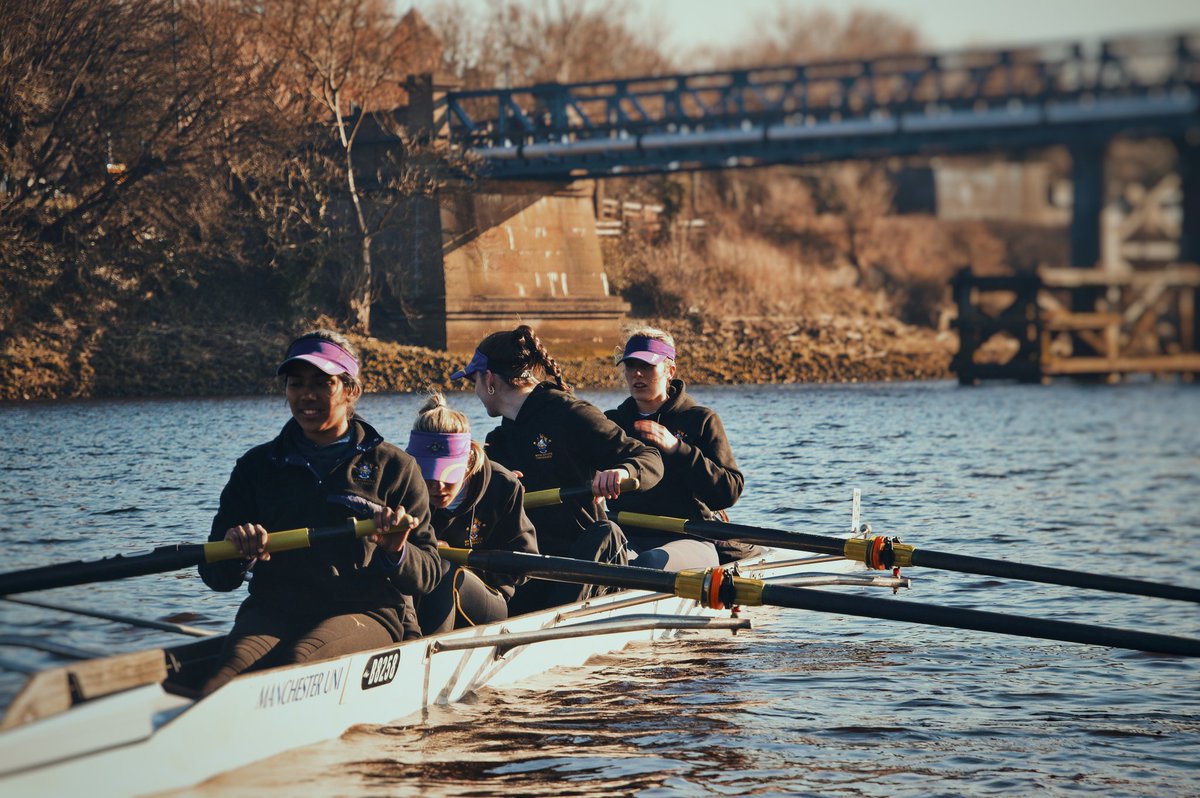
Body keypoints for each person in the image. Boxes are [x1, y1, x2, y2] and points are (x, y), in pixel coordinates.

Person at [197, 330, 441, 695]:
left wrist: (396, 550)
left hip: (364, 611)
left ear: (351, 390)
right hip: (274, 609)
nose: (306, 395)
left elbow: (429, 574)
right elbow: (215, 576)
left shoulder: (395, 466)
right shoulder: (255, 466)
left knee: (298, 664)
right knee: (221, 684)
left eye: (321, 383)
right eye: (296, 384)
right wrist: (237, 553)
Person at [450, 324, 664, 610]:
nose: (475, 391)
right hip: (533, 564)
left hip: (584, 556)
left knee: (607, 531)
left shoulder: (570, 414)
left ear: (489, 379)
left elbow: (649, 457)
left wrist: (623, 472)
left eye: (473, 381)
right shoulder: (497, 442)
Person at [605, 327, 757, 566]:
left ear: (670, 371)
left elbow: (728, 492)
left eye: (647, 366)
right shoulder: (612, 423)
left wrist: (678, 449)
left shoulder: (700, 420)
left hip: (690, 537)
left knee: (650, 562)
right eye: (630, 365)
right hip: (627, 536)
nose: (637, 374)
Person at [404, 391, 539, 634]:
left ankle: (429, 650)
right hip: (424, 591)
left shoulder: (503, 485)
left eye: (447, 473)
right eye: (428, 474)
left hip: (489, 597)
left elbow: (524, 567)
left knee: (444, 569)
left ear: (468, 460)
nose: (437, 486)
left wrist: (459, 558)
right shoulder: (404, 484)